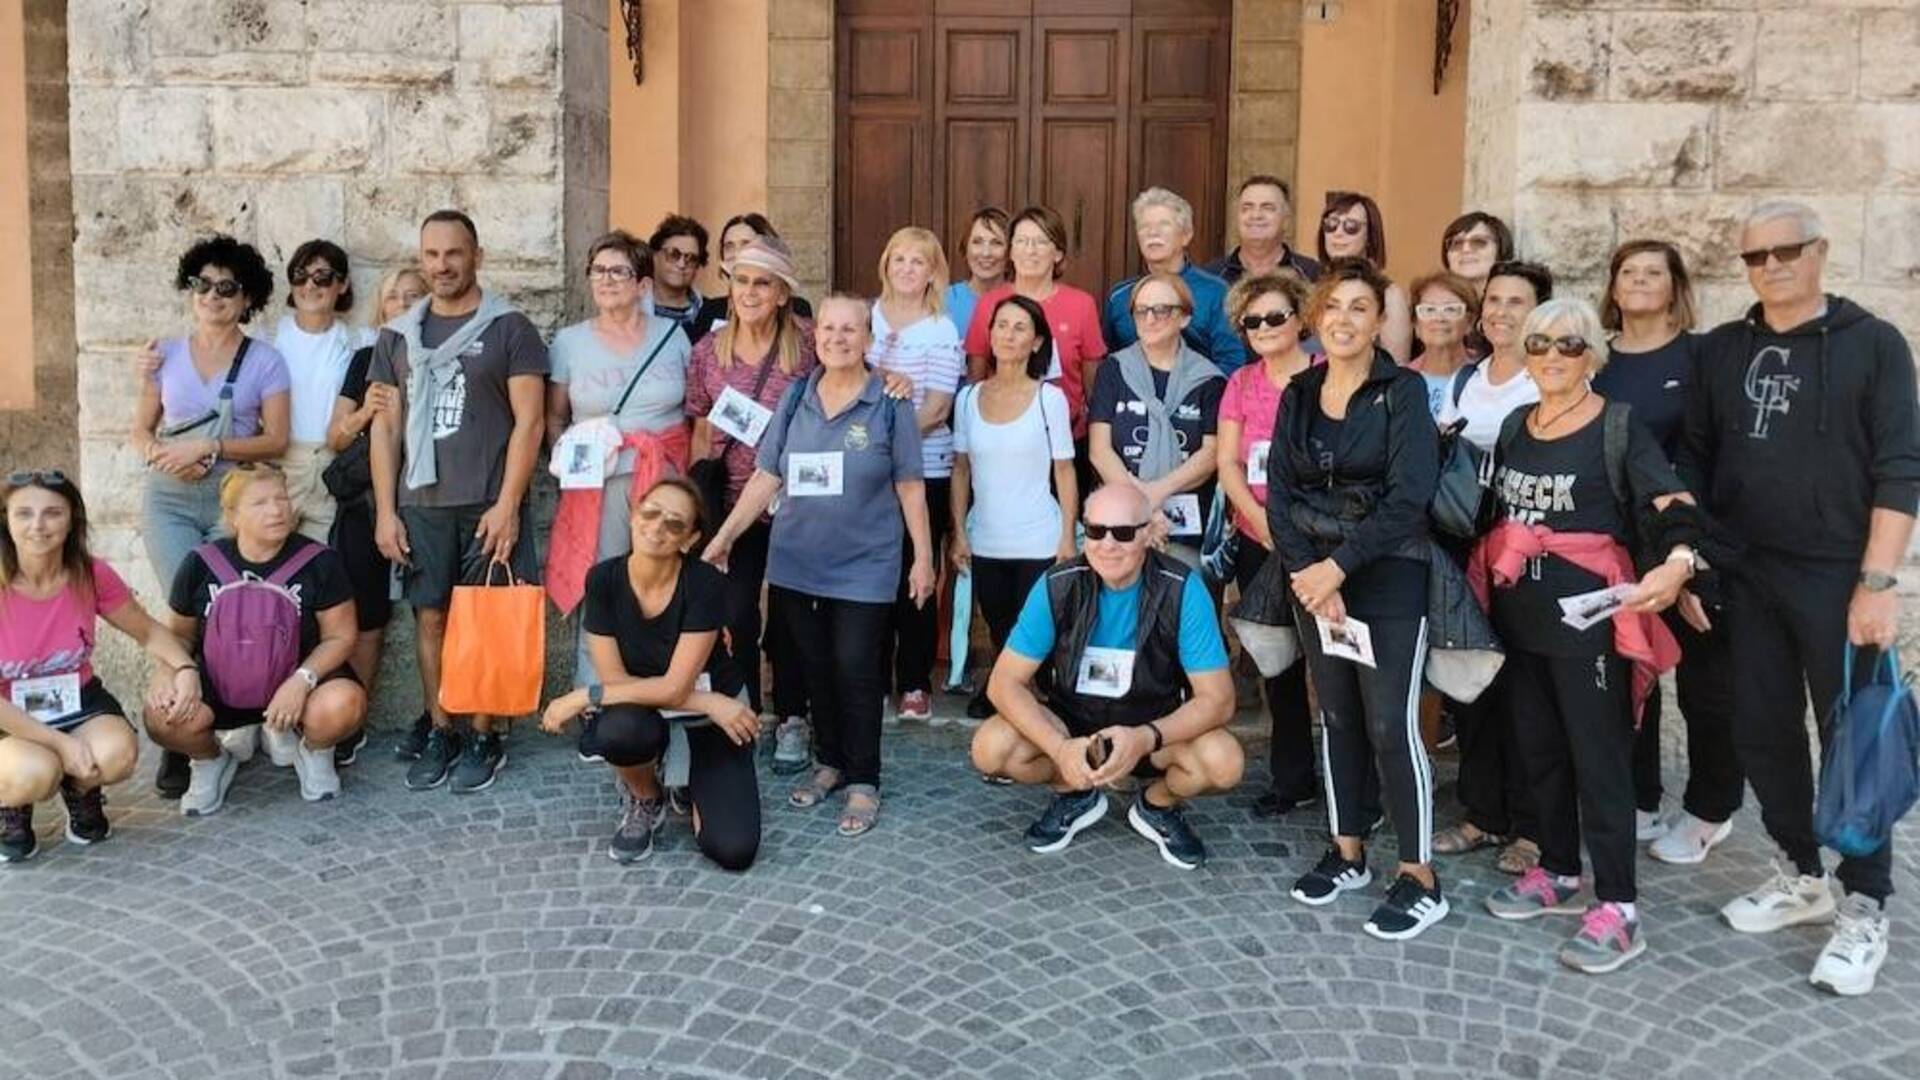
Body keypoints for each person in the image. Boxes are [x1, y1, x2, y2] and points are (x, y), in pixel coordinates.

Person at [1679, 200, 1920, 997]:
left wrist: (1878, 583)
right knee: (1761, 732)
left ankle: (1866, 905)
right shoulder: (1722, 351)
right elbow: (1699, 465)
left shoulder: (1874, 345)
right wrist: (1697, 567)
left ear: (1819, 251)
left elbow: (1900, 469)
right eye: (1755, 256)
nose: (1771, 265)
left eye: (1787, 251)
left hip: (1836, 575)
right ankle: (1800, 874)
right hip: (1746, 572)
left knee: (1853, 743)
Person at [1472, 298, 1698, 974]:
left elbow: (1673, 507)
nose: (1550, 356)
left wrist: (1680, 563)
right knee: (1538, 749)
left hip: (1591, 626)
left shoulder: (1618, 428)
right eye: (1539, 342)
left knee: (1599, 760)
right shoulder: (1517, 424)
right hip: (1523, 619)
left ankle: (1621, 908)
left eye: (1567, 345)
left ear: (1591, 355)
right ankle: (1560, 871)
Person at [703, 294, 934, 839]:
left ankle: (863, 779)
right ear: (816, 338)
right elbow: (766, 477)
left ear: (868, 339)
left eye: (849, 330)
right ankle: (829, 762)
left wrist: (922, 557)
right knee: (812, 667)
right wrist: (725, 537)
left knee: (856, 667)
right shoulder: (796, 398)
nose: (837, 338)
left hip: (865, 565)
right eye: (828, 329)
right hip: (795, 564)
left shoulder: (891, 401)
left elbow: (910, 485)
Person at [1272, 259, 1448, 941]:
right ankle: (1348, 852)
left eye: (1359, 308)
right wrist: (1310, 573)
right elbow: (1279, 494)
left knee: (1390, 724)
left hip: (1386, 574)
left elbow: (1410, 496)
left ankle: (1419, 874)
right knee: (1338, 716)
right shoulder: (1300, 390)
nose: (1344, 320)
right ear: (1318, 318)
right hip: (1315, 579)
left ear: (1379, 321)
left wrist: (1339, 568)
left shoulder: (1402, 392)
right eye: (1333, 307)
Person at [368, 210, 548, 795]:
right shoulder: (398, 336)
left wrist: (508, 504)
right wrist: (386, 511)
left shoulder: (510, 328)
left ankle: (484, 734)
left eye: (453, 253)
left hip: (485, 504)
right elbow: (385, 428)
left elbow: (530, 423)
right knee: (432, 618)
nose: (441, 265)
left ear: (477, 256)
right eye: (431, 255)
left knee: (487, 625)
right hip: (421, 504)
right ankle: (442, 725)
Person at [970, 483, 1241, 869]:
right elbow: (1003, 683)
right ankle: (1073, 792)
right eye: (1096, 531)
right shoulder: (1058, 585)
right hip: (1075, 727)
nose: (1107, 544)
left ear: (1148, 534)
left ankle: (1157, 805)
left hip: (1153, 730)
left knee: (1224, 761)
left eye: (1123, 533)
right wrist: (1061, 748)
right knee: (990, 748)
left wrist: (1145, 737)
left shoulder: (1183, 589)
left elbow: (1219, 699)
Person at [1593, 239, 1742, 865]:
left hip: (1692, 545)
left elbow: (1719, 457)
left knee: (1708, 684)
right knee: (1634, 676)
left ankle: (1713, 809)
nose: (1641, 281)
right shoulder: (1598, 361)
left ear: (1675, 285)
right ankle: (1641, 798)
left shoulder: (1702, 356)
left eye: (1654, 272)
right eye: (1629, 272)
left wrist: (1692, 556)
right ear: (1614, 286)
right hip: (1620, 543)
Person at [133, 234, 291, 801]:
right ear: (190, 288)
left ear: (245, 297)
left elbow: (276, 437)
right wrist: (158, 453)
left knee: (230, 612)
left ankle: (237, 720)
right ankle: (180, 739)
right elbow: (139, 429)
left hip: (232, 500)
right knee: (182, 617)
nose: (212, 296)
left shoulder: (265, 360)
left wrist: (209, 449)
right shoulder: (164, 354)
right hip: (169, 499)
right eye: (202, 284)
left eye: (226, 288)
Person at [539, 477, 760, 870]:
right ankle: (646, 795)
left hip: (711, 717)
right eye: (650, 513)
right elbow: (615, 683)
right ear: (634, 515)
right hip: (675, 707)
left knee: (733, 849)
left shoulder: (705, 583)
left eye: (674, 523)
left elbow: (672, 686)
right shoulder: (604, 579)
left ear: (689, 539)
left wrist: (583, 696)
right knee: (617, 729)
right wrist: (708, 700)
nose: (657, 528)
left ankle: (692, 782)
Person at [0, 471, 199, 863]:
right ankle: (10, 805)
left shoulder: (90, 573)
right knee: (34, 772)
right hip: (8, 712)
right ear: (5, 519)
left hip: (75, 699)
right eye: (24, 513)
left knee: (117, 753)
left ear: (72, 518)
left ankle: (80, 792)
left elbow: (147, 631)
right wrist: (62, 745)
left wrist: (184, 669)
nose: (38, 526)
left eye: (52, 513)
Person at [147, 465, 364, 815]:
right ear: (232, 516)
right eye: (260, 503)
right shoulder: (201, 564)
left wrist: (302, 680)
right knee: (161, 715)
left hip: (293, 685)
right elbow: (178, 636)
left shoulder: (319, 561)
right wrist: (166, 672)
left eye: (281, 498)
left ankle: (313, 752)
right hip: (221, 684)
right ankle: (210, 760)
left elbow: (340, 636)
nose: (277, 510)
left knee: (344, 702)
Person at [1432, 259, 1552, 875]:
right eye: (1495, 300)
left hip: (1528, 552)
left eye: (1517, 301)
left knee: (1529, 691)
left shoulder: (1549, 378)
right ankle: (1482, 813)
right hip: (1466, 546)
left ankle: (1534, 827)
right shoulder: (1464, 380)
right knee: (1474, 679)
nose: (1502, 311)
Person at [685, 236, 818, 775]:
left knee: (789, 619)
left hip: (796, 505)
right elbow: (698, 428)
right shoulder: (706, 353)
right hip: (731, 505)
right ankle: (745, 710)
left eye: (762, 282)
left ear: (783, 292)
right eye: (741, 280)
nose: (750, 292)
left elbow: (857, 383)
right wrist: (701, 502)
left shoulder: (808, 346)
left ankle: (792, 717)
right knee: (735, 611)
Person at [543, 231, 692, 687]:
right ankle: (596, 695)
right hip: (600, 483)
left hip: (664, 478)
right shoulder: (569, 343)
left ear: (643, 284)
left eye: (618, 271)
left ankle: (663, 686)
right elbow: (554, 416)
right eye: (598, 271)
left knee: (664, 578)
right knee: (604, 583)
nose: (606, 280)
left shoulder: (674, 335)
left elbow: (694, 409)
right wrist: (568, 467)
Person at [950, 294, 1079, 719]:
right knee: (1001, 625)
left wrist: (1066, 537)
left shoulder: (1049, 400)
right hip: (987, 537)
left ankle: (1022, 694)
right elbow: (961, 471)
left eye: (1020, 327)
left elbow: (1064, 472)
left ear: (1037, 341)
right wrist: (959, 533)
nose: (1008, 334)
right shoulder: (968, 399)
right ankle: (1011, 691)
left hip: (1039, 537)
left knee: (1034, 631)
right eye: (1001, 325)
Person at [1216, 271, 1317, 817]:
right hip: (1259, 537)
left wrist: (1298, 526)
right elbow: (1228, 462)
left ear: (1300, 319)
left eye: (1275, 317)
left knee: (1334, 668)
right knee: (1278, 662)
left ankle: (1356, 787)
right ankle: (1292, 777)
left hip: (1321, 541)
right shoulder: (1241, 383)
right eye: (1252, 321)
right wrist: (1257, 518)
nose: (1264, 327)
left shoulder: (1326, 375)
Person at [869, 227, 966, 722]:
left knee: (918, 573)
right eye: (899, 259)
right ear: (886, 264)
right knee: (871, 574)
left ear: (933, 272)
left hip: (924, 467)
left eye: (918, 262)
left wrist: (887, 442)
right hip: (868, 471)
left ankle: (913, 681)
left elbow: (937, 407)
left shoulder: (941, 329)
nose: (907, 269)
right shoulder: (867, 319)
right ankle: (871, 673)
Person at [328, 266, 424, 763]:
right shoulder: (366, 358)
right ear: (381, 308)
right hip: (365, 505)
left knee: (433, 612)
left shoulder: (439, 355)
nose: (404, 304)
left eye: (414, 295)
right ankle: (349, 720)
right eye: (394, 297)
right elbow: (336, 437)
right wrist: (366, 412)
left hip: (427, 498)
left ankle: (439, 718)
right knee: (364, 615)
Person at [1088, 272, 1225, 567]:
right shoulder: (1113, 369)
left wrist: (1155, 494)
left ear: (1185, 318)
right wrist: (1142, 506)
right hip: (1120, 525)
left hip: (1183, 527)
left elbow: (1211, 453)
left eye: (1162, 310)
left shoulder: (1209, 379)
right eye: (1141, 310)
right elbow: (1099, 450)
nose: (1150, 319)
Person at [962, 205, 1111, 470]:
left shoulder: (1081, 305)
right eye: (1021, 241)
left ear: (1058, 253)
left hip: (1065, 442)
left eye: (1041, 242)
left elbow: (1092, 386)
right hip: (1001, 441)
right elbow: (977, 377)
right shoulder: (989, 304)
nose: (1030, 250)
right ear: (1011, 251)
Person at [273, 240, 366, 545]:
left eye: (322, 277)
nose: (310, 285)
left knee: (322, 565)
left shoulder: (358, 340)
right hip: (278, 464)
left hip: (331, 465)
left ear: (342, 285)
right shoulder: (269, 338)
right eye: (300, 275)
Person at [1103, 188, 1246, 373]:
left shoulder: (1215, 292)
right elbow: (1109, 361)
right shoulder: (1119, 297)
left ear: (1186, 235)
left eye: (1164, 224)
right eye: (1144, 226)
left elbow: (1232, 362)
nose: (1153, 232)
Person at [1316, 192, 1412, 363]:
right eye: (1331, 225)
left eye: (1351, 226)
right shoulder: (1313, 286)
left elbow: (1397, 366)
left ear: (1370, 236)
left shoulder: (1389, 294)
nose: (1338, 233)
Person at [689, 213, 814, 342]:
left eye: (746, 244)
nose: (737, 253)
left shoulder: (797, 308)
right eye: (729, 246)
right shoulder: (710, 310)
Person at [1208, 175, 1322, 284]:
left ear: (1286, 218)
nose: (1256, 215)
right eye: (1247, 208)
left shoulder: (1312, 275)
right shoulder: (1211, 275)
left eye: (1267, 208)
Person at [1407, 271, 1481, 418]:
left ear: (1470, 322)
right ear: (1416, 325)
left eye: (1451, 309)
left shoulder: (1486, 376)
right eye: (1428, 310)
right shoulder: (1397, 382)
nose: (1439, 318)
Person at [945, 207, 1009, 339]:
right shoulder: (942, 301)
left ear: (1010, 252)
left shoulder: (1024, 302)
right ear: (965, 248)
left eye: (996, 243)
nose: (986, 253)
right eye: (977, 242)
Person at [646, 214, 710, 335]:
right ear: (654, 255)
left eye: (691, 258)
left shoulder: (710, 312)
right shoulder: (632, 308)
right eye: (673, 254)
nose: (681, 264)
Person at [1439, 211, 1515, 294]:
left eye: (1478, 242)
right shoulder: (1431, 302)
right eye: (1457, 243)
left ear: (1501, 248)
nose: (1465, 249)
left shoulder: (1517, 303)